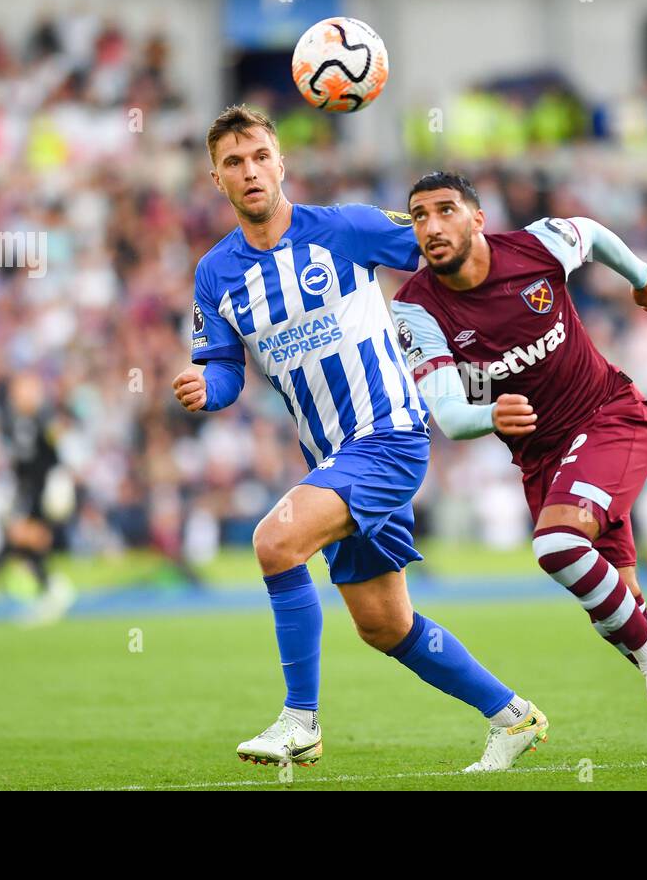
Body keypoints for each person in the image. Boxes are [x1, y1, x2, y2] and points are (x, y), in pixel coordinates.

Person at [172, 108, 545, 772]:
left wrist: (511, 300)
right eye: (234, 162)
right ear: (216, 179)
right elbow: (226, 367)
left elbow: (449, 252)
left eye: (260, 155)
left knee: (274, 540)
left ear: (281, 163)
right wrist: (210, 389)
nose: (250, 170)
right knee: (384, 626)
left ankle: (300, 722)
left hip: (390, 435)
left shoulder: (344, 227)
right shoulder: (215, 274)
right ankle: (513, 716)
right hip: (334, 458)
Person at [391, 171, 647, 773]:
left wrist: (643, 277)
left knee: (555, 545)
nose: (432, 226)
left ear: (476, 217)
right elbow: (448, 412)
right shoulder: (415, 307)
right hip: (543, 459)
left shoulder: (536, 246)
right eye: (419, 215)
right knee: (620, 610)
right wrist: (488, 411)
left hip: (609, 419)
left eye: (445, 210)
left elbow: (592, 234)